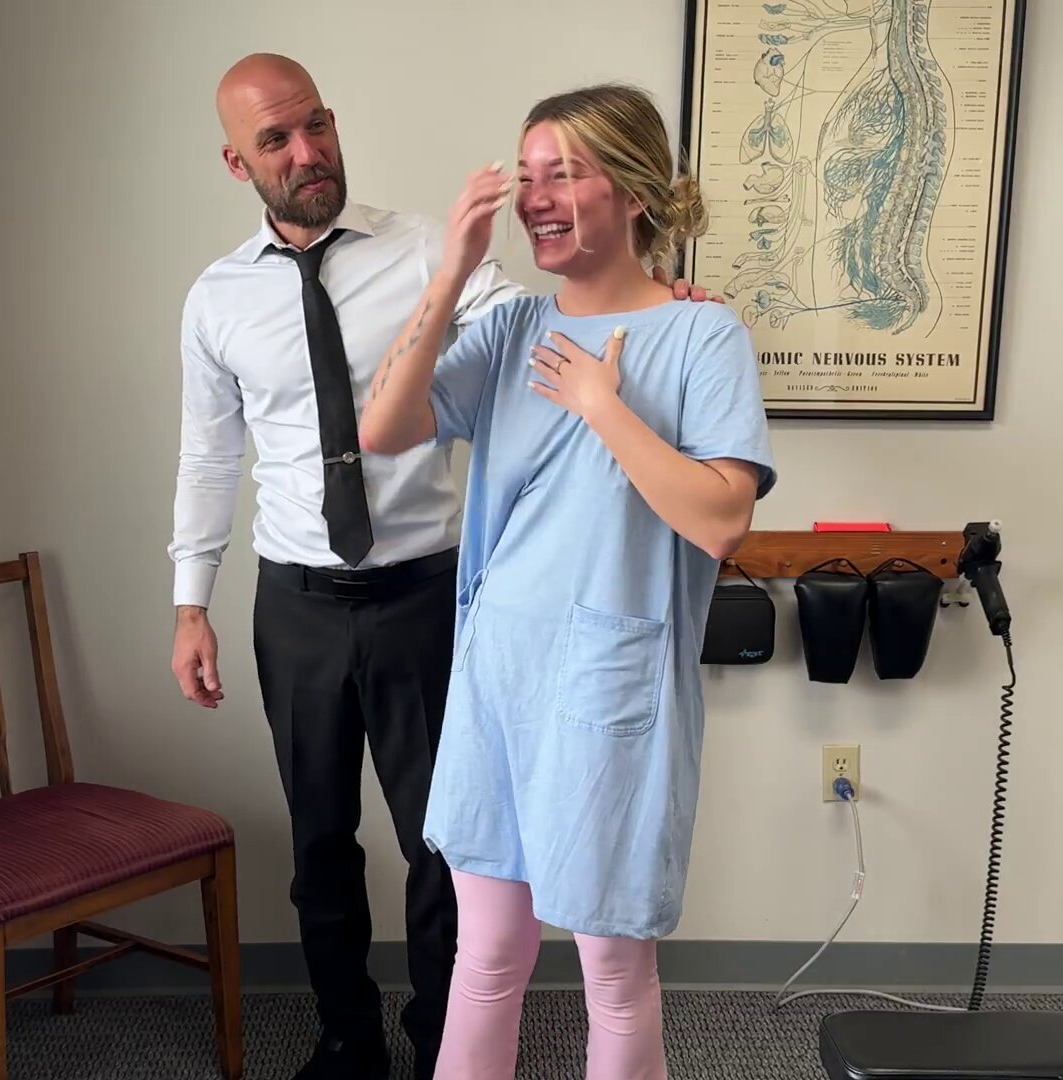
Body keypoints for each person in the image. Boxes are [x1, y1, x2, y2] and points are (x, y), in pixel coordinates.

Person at [169, 55, 714, 1080]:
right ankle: (346, 1041)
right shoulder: (217, 300)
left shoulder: (427, 246)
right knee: (320, 840)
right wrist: (189, 602)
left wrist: (656, 310)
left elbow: (540, 325)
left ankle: (439, 1044)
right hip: (296, 599)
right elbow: (209, 455)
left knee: (450, 842)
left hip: (423, 590)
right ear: (239, 164)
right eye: (277, 140)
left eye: (316, 124)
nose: (307, 151)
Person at [357, 83, 778, 1080]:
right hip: (498, 675)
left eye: (565, 173)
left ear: (632, 191)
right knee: (485, 958)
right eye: (527, 175)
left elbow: (722, 519)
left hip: (609, 681)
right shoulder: (510, 331)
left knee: (614, 975)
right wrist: (453, 271)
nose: (536, 196)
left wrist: (603, 406)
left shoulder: (702, 336)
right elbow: (382, 427)